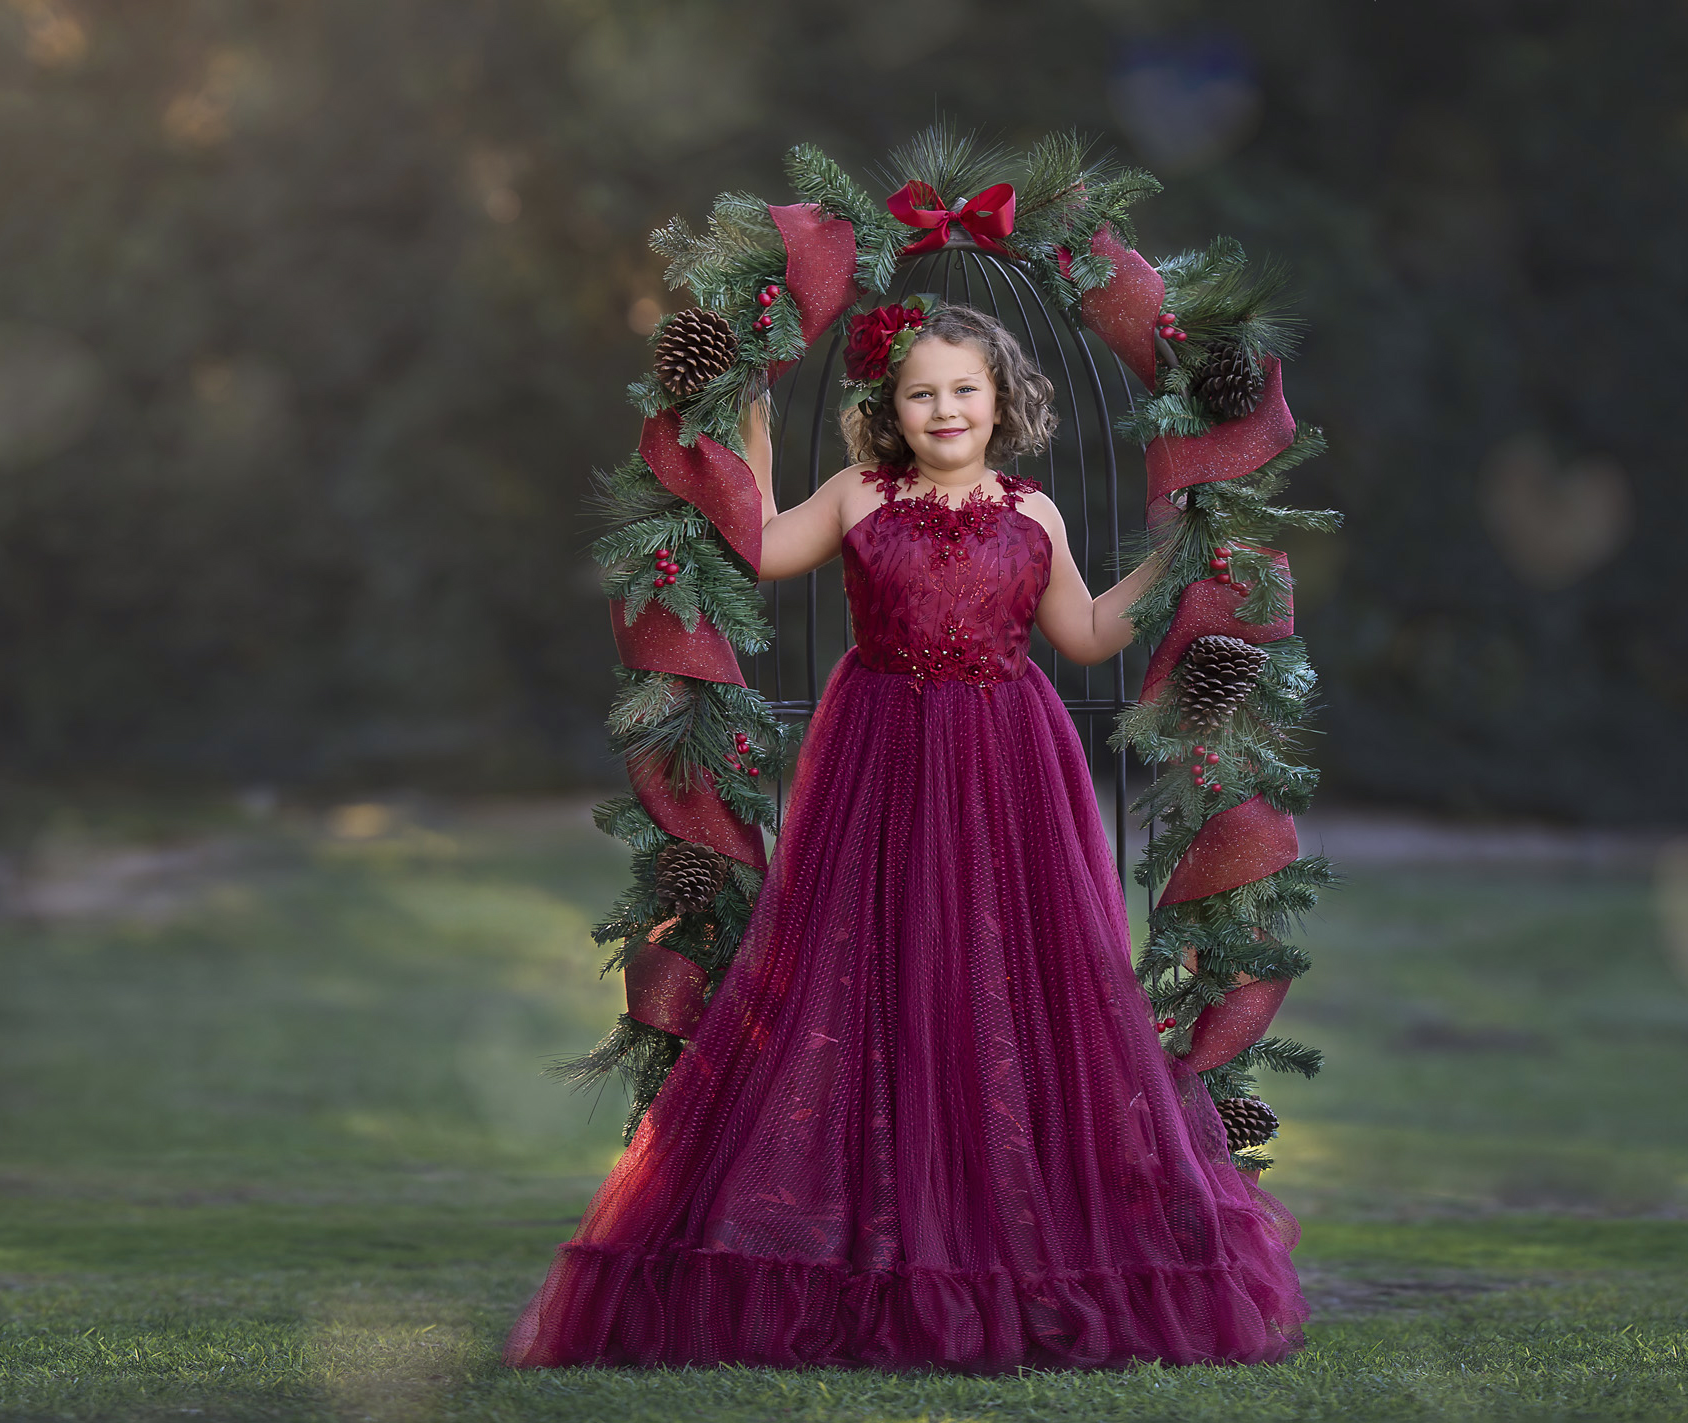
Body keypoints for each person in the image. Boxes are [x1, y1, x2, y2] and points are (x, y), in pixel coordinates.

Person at [504, 302, 1308, 1372]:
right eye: (920, 392)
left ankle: (1028, 1235)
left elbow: (1084, 633)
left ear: (1001, 397)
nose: (942, 409)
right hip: (879, 758)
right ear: (887, 407)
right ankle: (863, 1229)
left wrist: (1178, 555)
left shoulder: (1034, 510)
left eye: (963, 389)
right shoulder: (857, 494)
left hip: (1007, 762)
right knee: (871, 968)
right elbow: (757, 546)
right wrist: (747, 422)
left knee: (1016, 973)